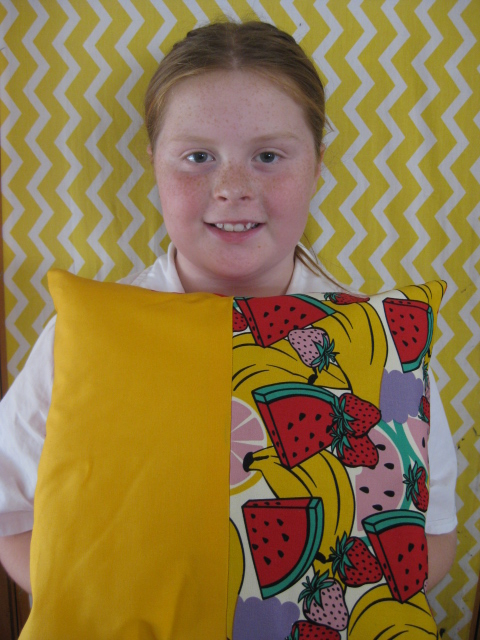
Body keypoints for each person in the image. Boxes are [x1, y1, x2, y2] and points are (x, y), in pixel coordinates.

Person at [0, 18, 456, 631]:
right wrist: (110, 603)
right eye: (198, 157)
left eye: (268, 156)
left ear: (317, 164)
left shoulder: (383, 342)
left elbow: (433, 532)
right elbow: (9, 512)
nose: (232, 188)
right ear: (154, 164)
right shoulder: (85, 334)